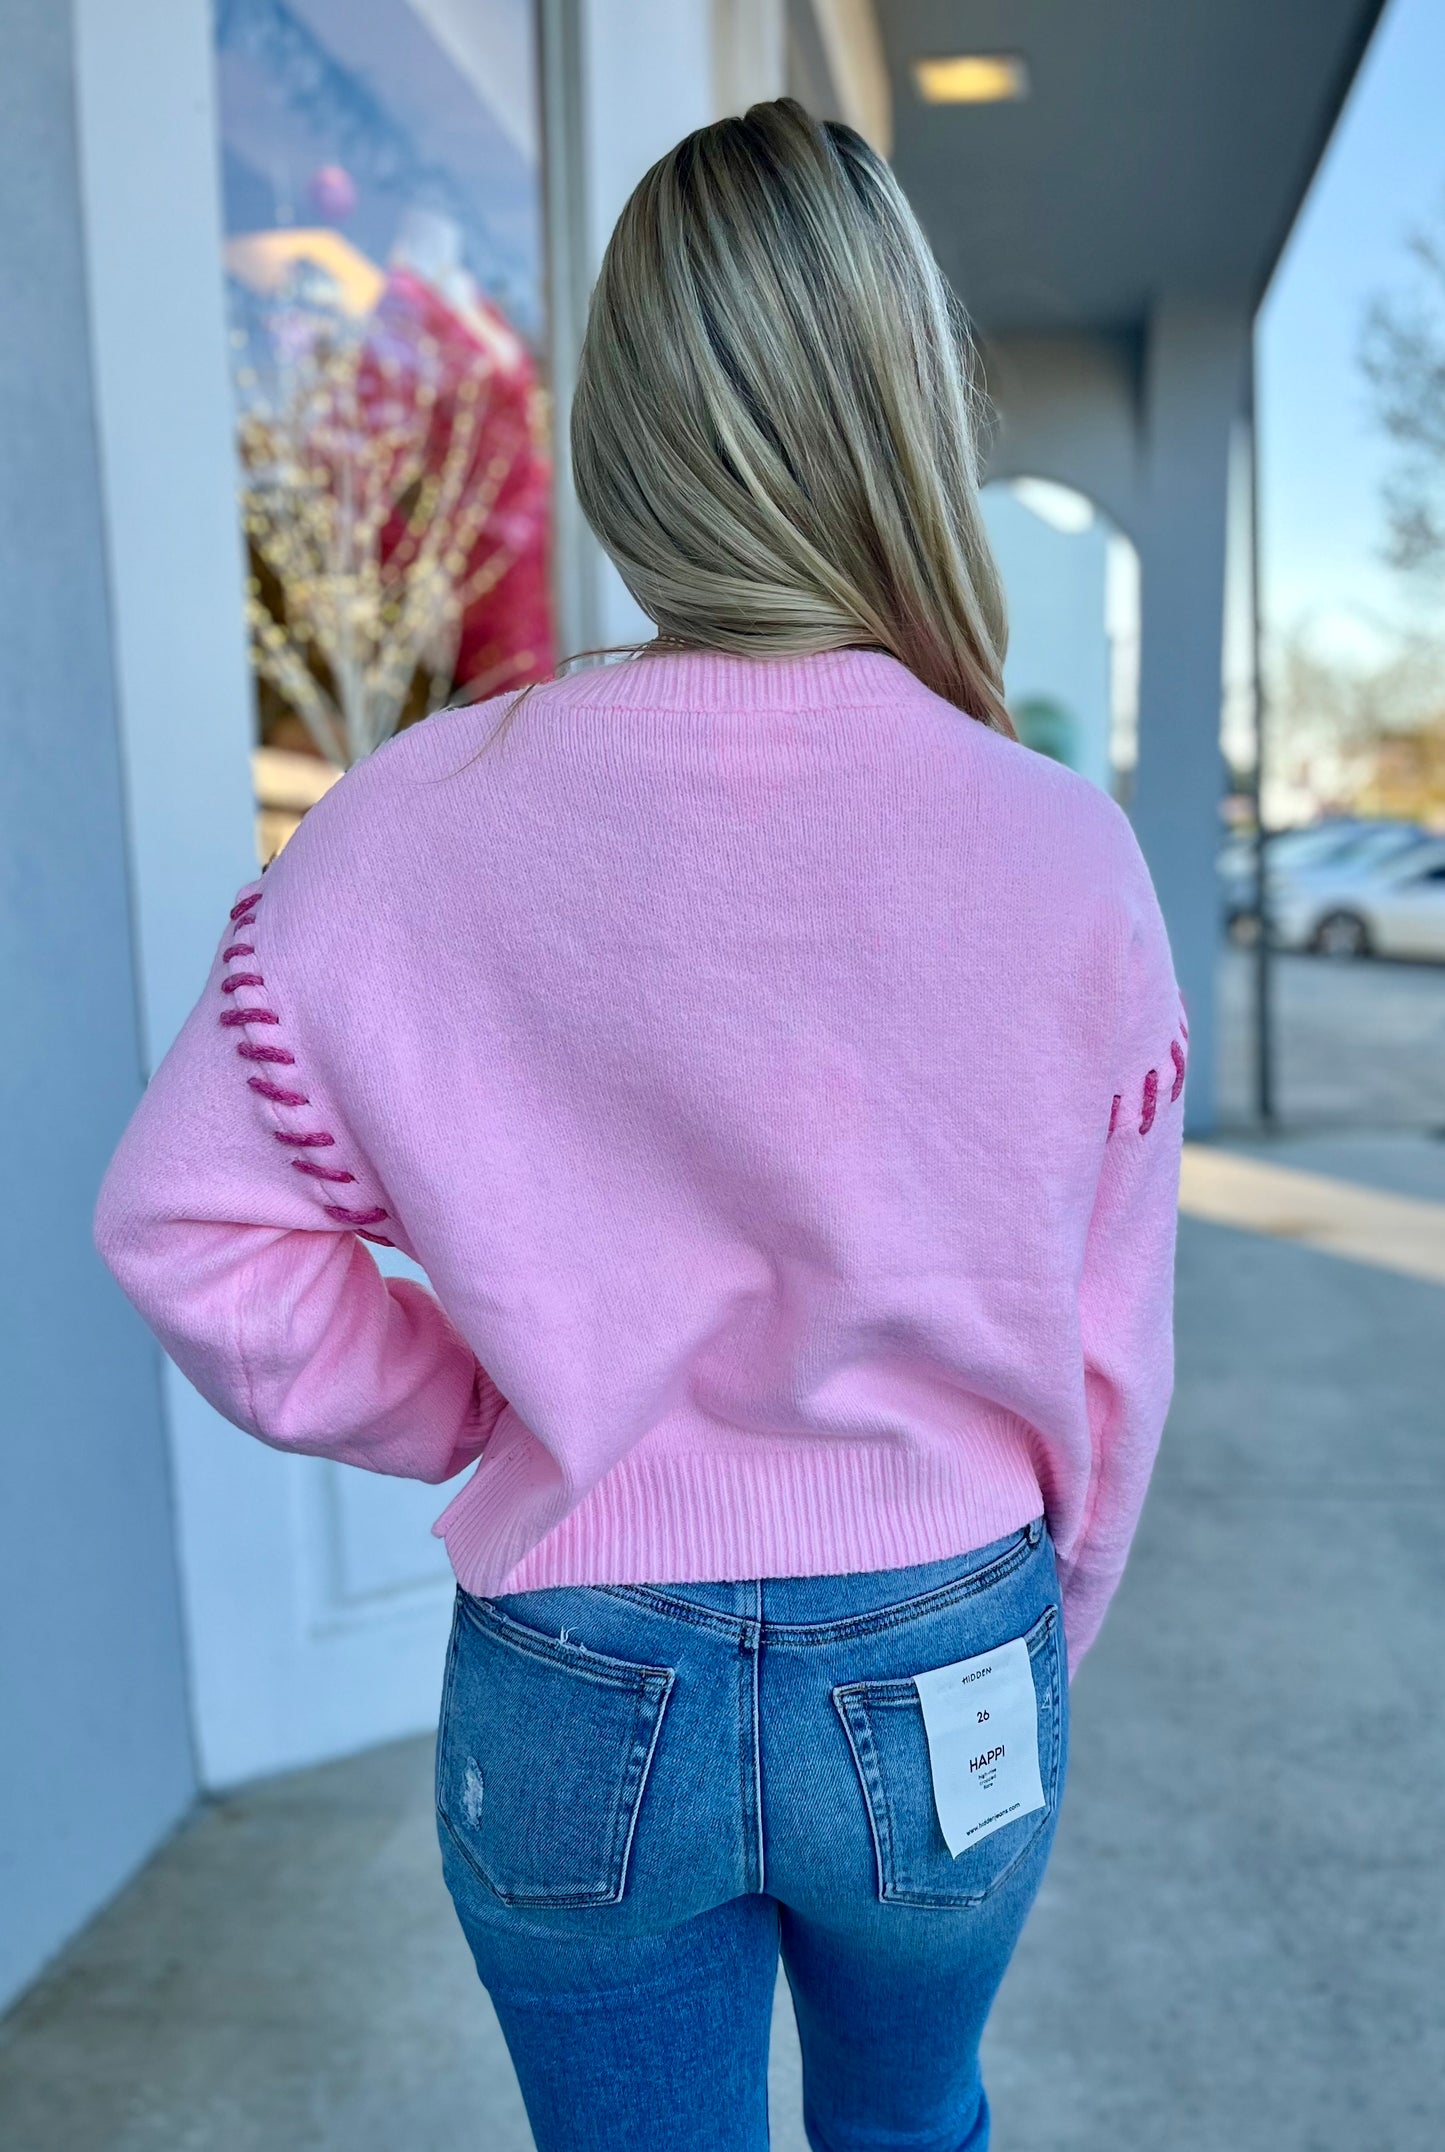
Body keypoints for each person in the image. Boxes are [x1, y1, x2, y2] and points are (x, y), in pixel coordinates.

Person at [95, 98, 1184, 2152]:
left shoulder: (417, 819)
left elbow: (191, 1227)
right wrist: (1041, 1622)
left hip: (577, 1666)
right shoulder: (1065, 855)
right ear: (903, 417)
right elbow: (1110, 1353)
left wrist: (493, 1405)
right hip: (945, 1625)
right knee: (917, 2119)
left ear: (628, 427)